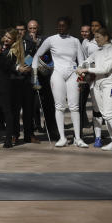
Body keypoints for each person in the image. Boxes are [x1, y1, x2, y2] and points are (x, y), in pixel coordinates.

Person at [31, 16, 85, 148]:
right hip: (57, 73)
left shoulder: (75, 41)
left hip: (73, 73)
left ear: (68, 26)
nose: (60, 27)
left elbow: (81, 61)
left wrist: (81, 75)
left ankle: (78, 138)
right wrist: (35, 74)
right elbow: (37, 55)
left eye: (63, 25)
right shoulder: (51, 39)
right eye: (58, 25)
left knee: (74, 106)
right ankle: (62, 137)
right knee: (59, 106)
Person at [77, 26, 112, 154]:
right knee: (104, 114)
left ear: (106, 37)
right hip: (97, 84)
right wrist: (80, 67)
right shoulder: (98, 52)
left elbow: (105, 69)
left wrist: (87, 70)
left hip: (110, 83)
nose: (96, 40)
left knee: (109, 113)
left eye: (98, 37)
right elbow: (86, 61)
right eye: (95, 38)